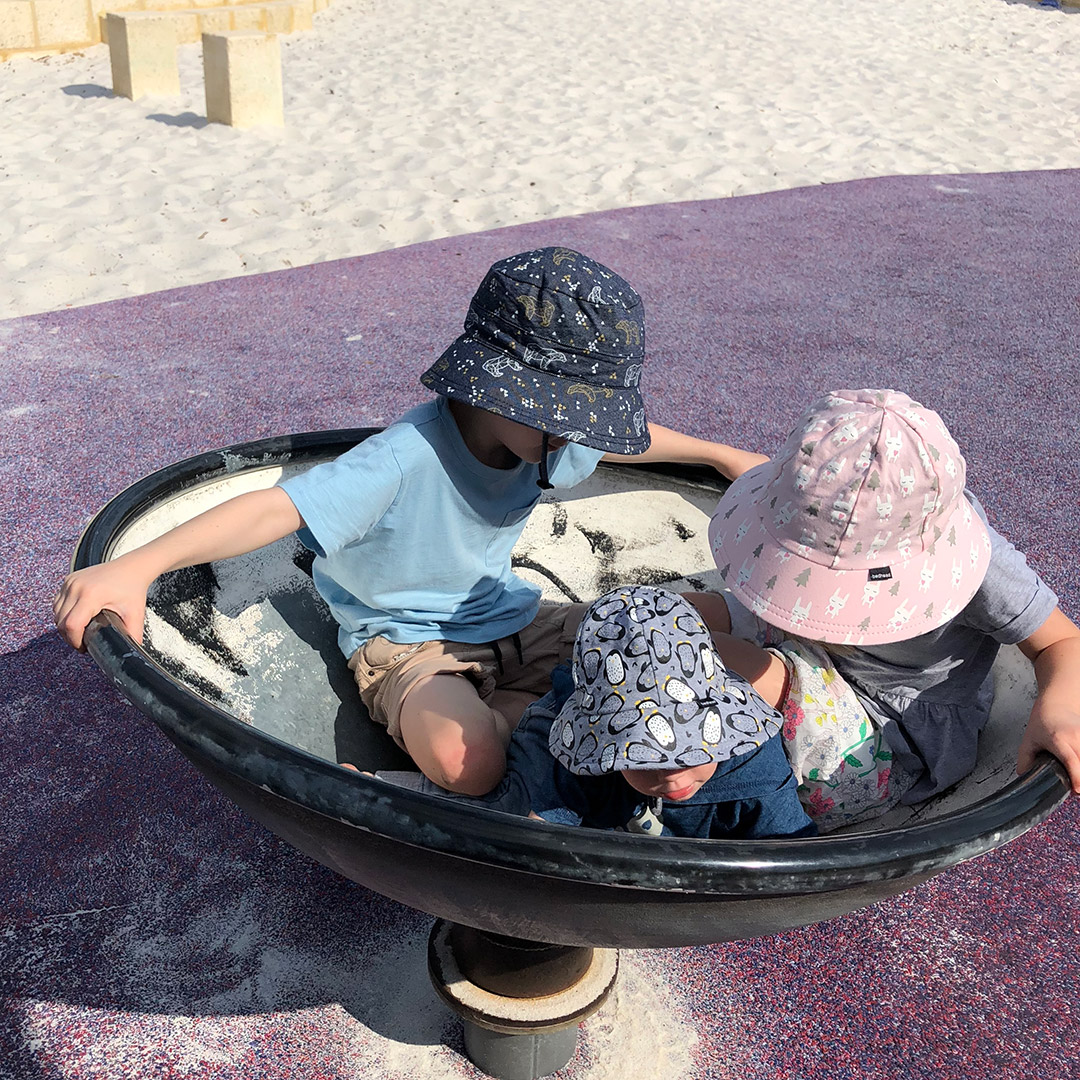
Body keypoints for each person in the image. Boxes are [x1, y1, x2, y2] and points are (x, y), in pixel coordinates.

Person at [53, 247, 759, 796]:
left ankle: (533, 704)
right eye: (567, 417)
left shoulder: (546, 440)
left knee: (712, 620)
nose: (580, 438)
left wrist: (719, 454)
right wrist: (135, 566)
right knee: (468, 762)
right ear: (504, 395)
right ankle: (539, 719)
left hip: (513, 620)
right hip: (410, 646)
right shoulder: (402, 458)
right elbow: (276, 507)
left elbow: (628, 440)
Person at [688, 388, 1080, 832]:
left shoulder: (978, 564)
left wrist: (1060, 708)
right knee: (654, 616)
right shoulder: (825, 497)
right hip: (809, 640)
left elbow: (1062, 641)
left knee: (712, 659)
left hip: (883, 730)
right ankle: (599, 635)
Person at [416, 585, 815, 839]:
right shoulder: (559, 755)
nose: (671, 771)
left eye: (690, 748)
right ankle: (496, 711)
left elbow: (791, 855)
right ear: (601, 740)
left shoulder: (755, 763)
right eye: (643, 754)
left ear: (723, 728)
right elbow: (520, 830)